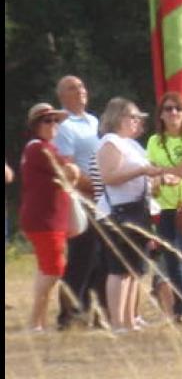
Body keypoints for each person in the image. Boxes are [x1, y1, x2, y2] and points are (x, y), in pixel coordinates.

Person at [94, 97, 164, 331]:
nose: (137, 122)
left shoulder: (132, 145)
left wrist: (158, 179)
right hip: (119, 212)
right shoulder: (110, 142)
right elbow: (109, 177)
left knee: (134, 268)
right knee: (119, 268)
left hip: (138, 210)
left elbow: (143, 176)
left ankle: (130, 318)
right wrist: (142, 170)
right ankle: (117, 321)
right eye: (132, 117)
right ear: (118, 118)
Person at [146, 91, 182, 321]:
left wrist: (161, 174)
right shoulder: (154, 141)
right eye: (168, 109)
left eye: (178, 109)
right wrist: (162, 176)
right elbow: (151, 173)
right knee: (170, 258)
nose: (173, 113)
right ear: (160, 115)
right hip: (164, 206)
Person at [21, 102, 79, 332]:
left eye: (56, 120)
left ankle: (39, 323)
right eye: (47, 120)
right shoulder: (40, 148)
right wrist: (72, 171)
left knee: (46, 270)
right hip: (45, 221)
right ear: (36, 125)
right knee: (55, 270)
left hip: (46, 219)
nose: (53, 124)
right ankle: (33, 323)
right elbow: (69, 171)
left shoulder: (39, 148)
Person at [52, 74, 104, 328]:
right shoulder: (64, 125)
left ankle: (89, 309)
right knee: (81, 257)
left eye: (82, 86)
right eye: (73, 88)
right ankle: (68, 314)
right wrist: (93, 187)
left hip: (101, 197)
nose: (81, 90)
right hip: (82, 197)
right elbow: (68, 166)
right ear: (62, 96)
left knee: (97, 256)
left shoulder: (93, 121)